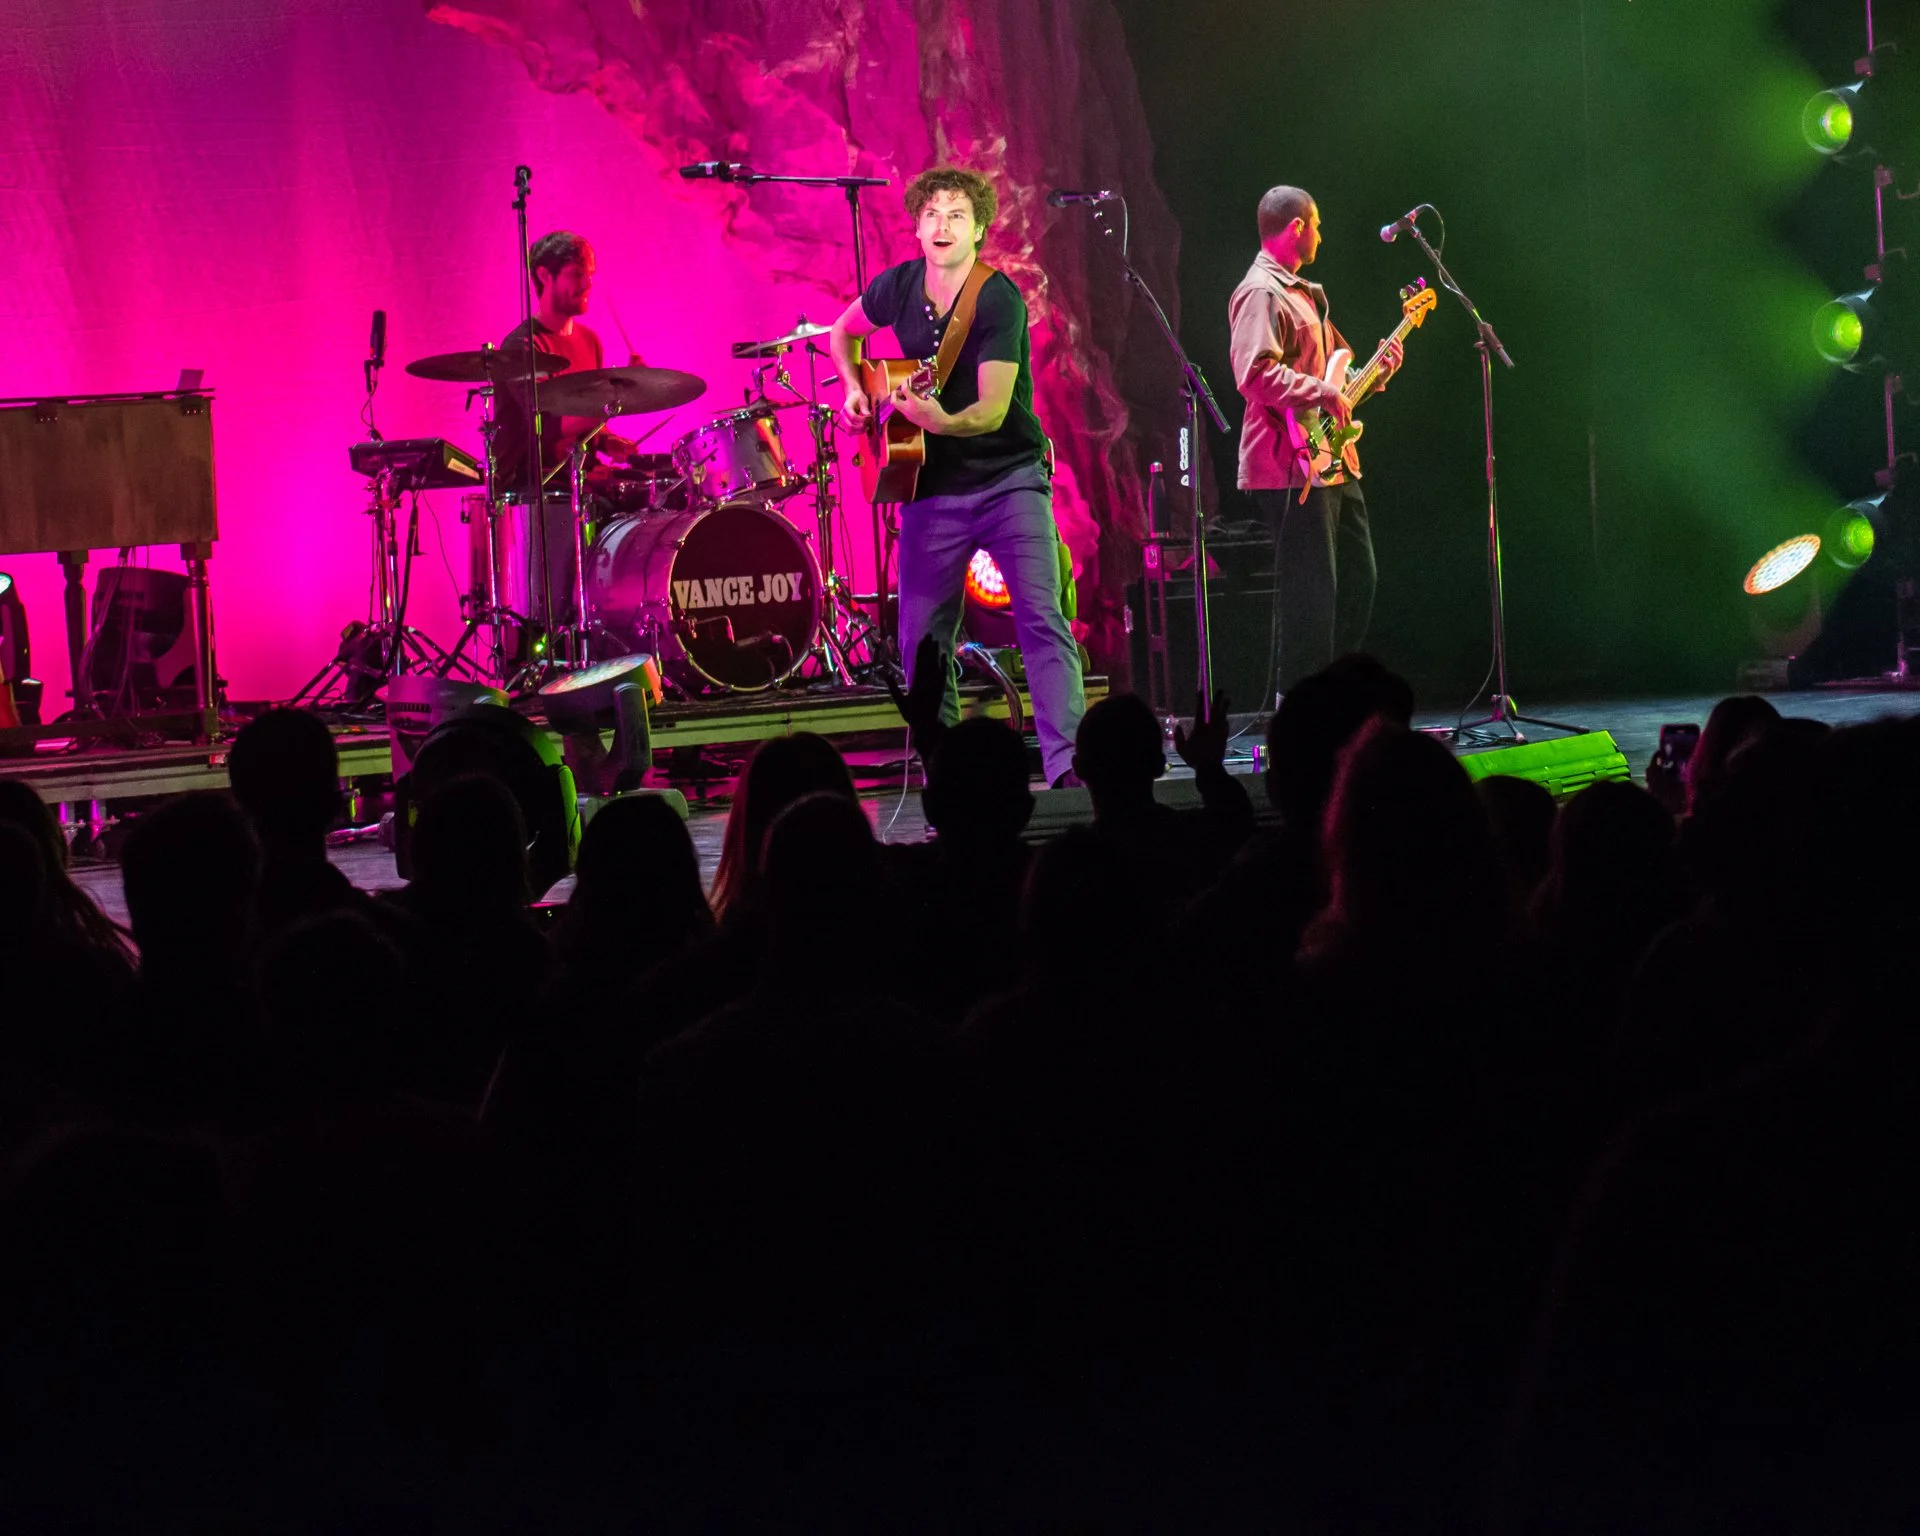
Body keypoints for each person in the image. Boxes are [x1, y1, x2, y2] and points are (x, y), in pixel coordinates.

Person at [828, 166, 1086, 786]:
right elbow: (842, 332)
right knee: (922, 640)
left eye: (957, 216)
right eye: (932, 215)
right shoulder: (897, 286)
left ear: (978, 230)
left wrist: (939, 421)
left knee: (1041, 620)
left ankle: (1068, 770)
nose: (942, 226)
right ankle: (944, 774)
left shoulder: (996, 299)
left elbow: (992, 411)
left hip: (1009, 480)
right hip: (931, 491)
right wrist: (855, 389)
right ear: (917, 228)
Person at [1229, 186, 1402, 692]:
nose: (1322, 236)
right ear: (1297, 227)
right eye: (1318, 226)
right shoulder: (1261, 291)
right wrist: (1323, 391)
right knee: (1311, 597)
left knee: (1357, 581)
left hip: (1331, 461)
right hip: (1289, 466)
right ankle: (1299, 707)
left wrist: (1378, 373)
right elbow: (1254, 374)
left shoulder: (1301, 293)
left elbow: (1336, 384)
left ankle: (1332, 693)